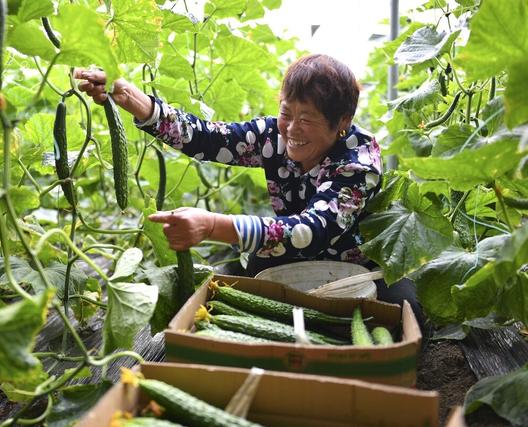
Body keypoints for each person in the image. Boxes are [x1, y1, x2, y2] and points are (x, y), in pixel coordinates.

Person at [74, 54, 427, 329]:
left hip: (361, 269)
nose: (292, 129)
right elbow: (207, 138)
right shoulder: (273, 134)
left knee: (405, 314)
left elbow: (310, 231)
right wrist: (132, 97)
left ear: (342, 124)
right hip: (291, 258)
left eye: (307, 119)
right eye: (287, 112)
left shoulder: (358, 162)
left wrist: (212, 225)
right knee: (242, 281)